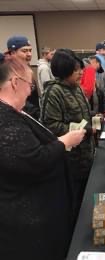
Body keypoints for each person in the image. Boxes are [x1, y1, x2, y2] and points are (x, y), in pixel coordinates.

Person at [0, 57, 86, 260]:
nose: (31, 92)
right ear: (15, 83)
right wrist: (64, 142)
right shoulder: (5, 119)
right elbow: (33, 160)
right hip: (28, 221)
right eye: (29, 85)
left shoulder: (14, 112)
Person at [40, 49, 95, 223]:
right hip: (70, 161)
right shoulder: (54, 92)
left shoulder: (76, 88)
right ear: (64, 71)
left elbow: (84, 115)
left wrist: (91, 124)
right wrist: (83, 130)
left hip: (86, 154)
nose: (81, 73)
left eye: (80, 68)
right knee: (74, 205)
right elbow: (50, 126)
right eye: (76, 69)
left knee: (87, 200)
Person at [7, 35, 40, 119]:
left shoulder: (27, 70)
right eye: (24, 51)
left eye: (30, 50)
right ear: (12, 53)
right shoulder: (8, 73)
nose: (29, 54)